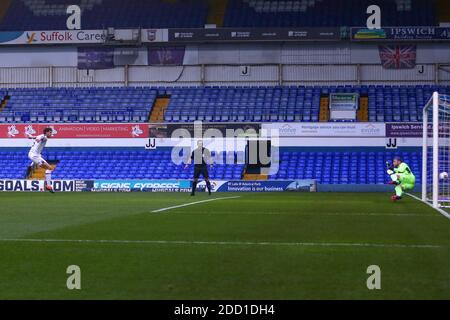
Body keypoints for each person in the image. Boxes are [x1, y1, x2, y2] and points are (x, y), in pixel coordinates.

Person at [26, 127, 54, 193]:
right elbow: (40, 138)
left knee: (49, 168)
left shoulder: (40, 135)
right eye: (50, 132)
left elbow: (37, 137)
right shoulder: (43, 137)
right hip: (34, 156)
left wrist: (31, 137)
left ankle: (31, 166)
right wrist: (38, 139)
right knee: (49, 168)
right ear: (46, 132)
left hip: (36, 155)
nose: (51, 134)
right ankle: (48, 186)